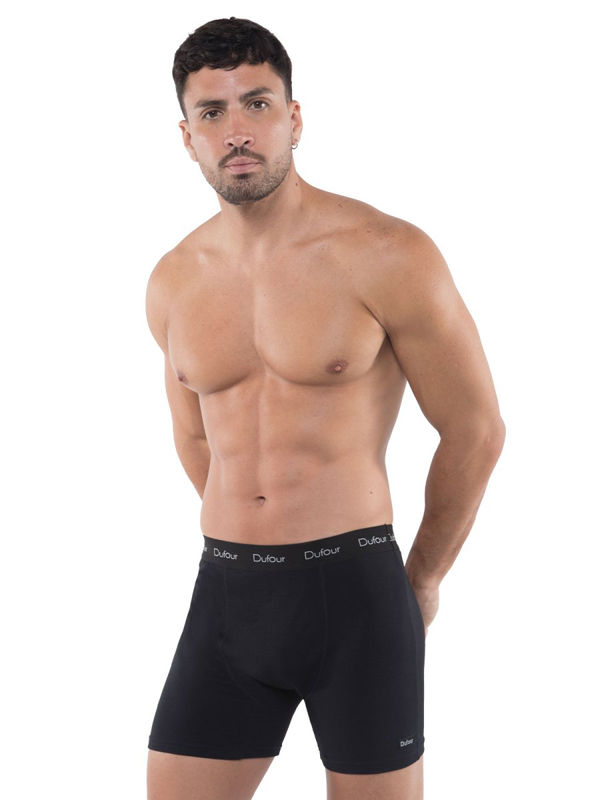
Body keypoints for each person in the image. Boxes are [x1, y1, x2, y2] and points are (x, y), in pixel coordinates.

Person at [145, 16, 506, 800]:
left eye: (258, 104)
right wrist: (253, 524)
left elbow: (475, 428)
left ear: (295, 117)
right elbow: (193, 436)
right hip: (227, 596)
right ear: (188, 137)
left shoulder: (387, 252)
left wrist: (423, 578)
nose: (237, 131)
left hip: (356, 597)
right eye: (213, 112)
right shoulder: (174, 278)